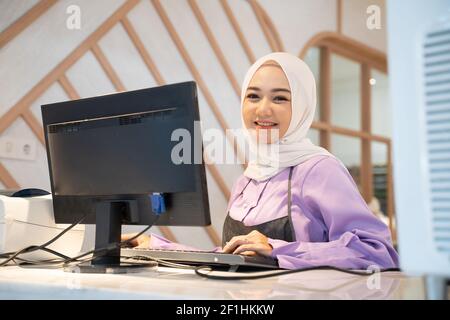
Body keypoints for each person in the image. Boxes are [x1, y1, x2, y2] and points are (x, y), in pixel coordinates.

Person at [122, 52, 399, 270]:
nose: (263, 109)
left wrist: (278, 249)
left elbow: (378, 252)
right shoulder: (247, 180)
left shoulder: (319, 168)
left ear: (301, 106)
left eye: (280, 98)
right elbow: (230, 257)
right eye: (253, 96)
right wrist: (155, 246)